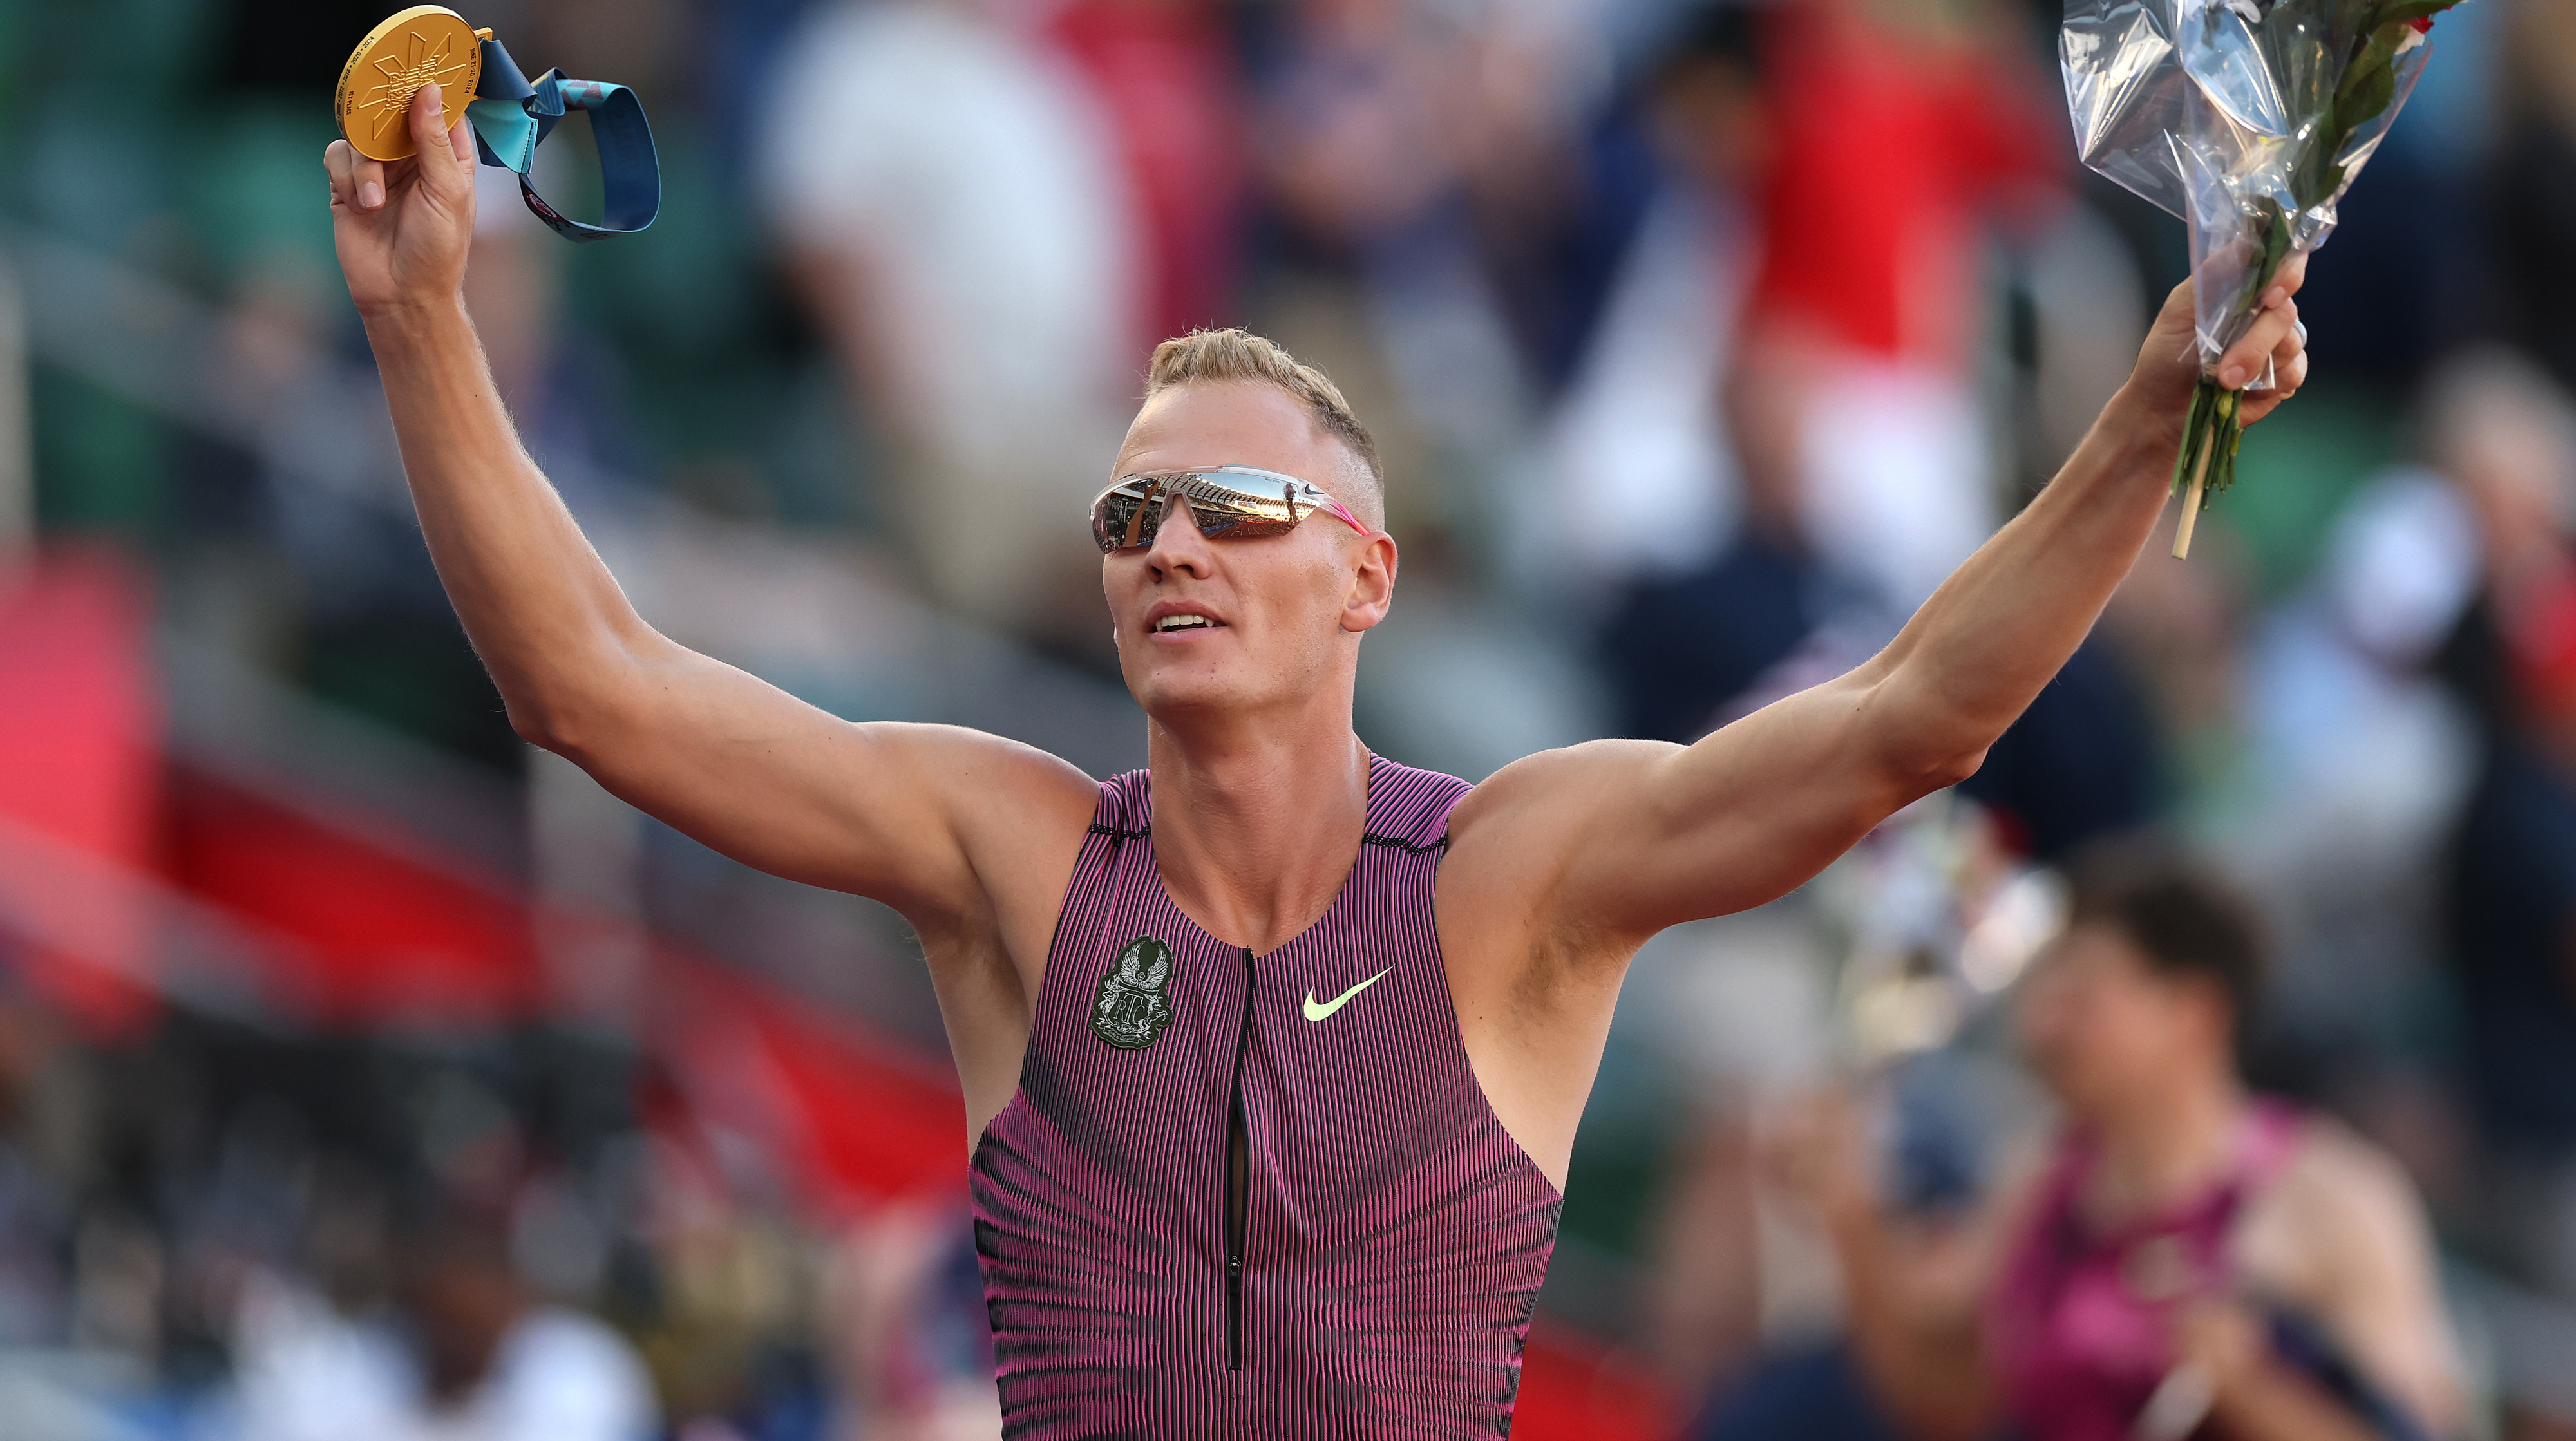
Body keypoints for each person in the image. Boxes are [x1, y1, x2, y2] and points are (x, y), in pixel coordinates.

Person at [321, 82, 2310, 1438]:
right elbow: (593, 685)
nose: (1168, 544)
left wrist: (2144, 417)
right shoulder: (1004, 855)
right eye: (1125, 520)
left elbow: (1907, 721)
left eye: (1230, 504)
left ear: (1363, 576)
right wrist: (423, 316)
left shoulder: (1516, 883)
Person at [1765, 856, 2462, 1441]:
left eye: (2080, 995)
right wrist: (1850, 1215)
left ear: (2193, 1011)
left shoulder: (2331, 1197)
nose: (2041, 1024)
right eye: (2043, 993)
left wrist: (2249, 1389)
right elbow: (1945, 1402)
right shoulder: (2040, 1172)